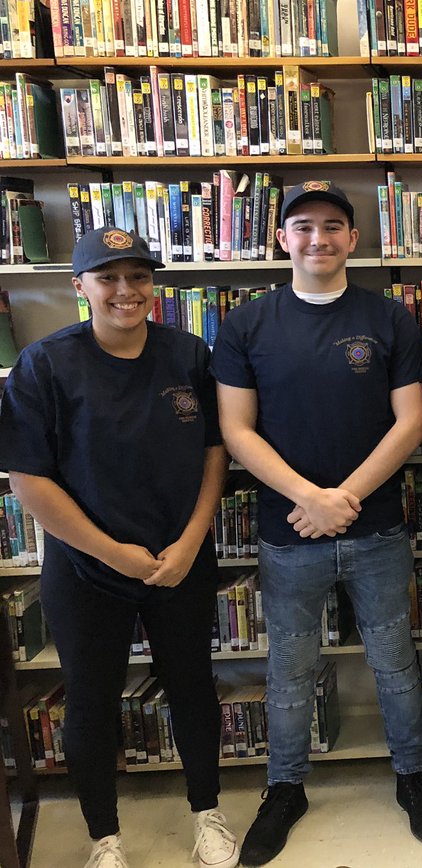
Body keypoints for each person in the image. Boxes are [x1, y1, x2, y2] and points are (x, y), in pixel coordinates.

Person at [211, 182, 422, 865]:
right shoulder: (246, 324)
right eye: (304, 226)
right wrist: (309, 498)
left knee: (395, 659)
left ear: (353, 238)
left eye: (333, 225)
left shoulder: (390, 318)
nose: (319, 238)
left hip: (377, 530)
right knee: (289, 669)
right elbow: (236, 429)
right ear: (282, 238)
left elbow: (412, 421)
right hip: (288, 534)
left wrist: (343, 497)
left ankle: (411, 775)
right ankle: (285, 788)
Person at [0, 227, 239, 868]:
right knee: (91, 699)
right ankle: (104, 837)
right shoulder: (45, 365)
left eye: (138, 276)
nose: (125, 291)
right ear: (80, 286)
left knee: (192, 687)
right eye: (107, 277)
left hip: (179, 560)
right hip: (86, 568)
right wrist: (112, 553)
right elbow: (28, 479)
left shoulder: (188, 354)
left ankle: (207, 812)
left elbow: (215, 452)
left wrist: (192, 540)